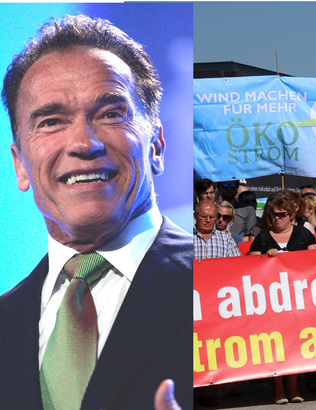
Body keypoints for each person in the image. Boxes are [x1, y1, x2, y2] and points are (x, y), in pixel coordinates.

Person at [0, 14, 190, 409]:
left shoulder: (221, 291)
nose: (83, 143)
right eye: (50, 122)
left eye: (109, 114)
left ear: (156, 145)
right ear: (20, 165)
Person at [248, 191, 316, 404]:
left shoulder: (303, 234)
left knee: (295, 344)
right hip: (271, 301)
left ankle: (294, 388)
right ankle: (278, 388)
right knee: (276, 346)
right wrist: (263, 257)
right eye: (273, 215)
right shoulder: (262, 237)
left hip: (299, 299)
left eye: (281, 214)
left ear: (290, 215)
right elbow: (248, 264)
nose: (277, 218)